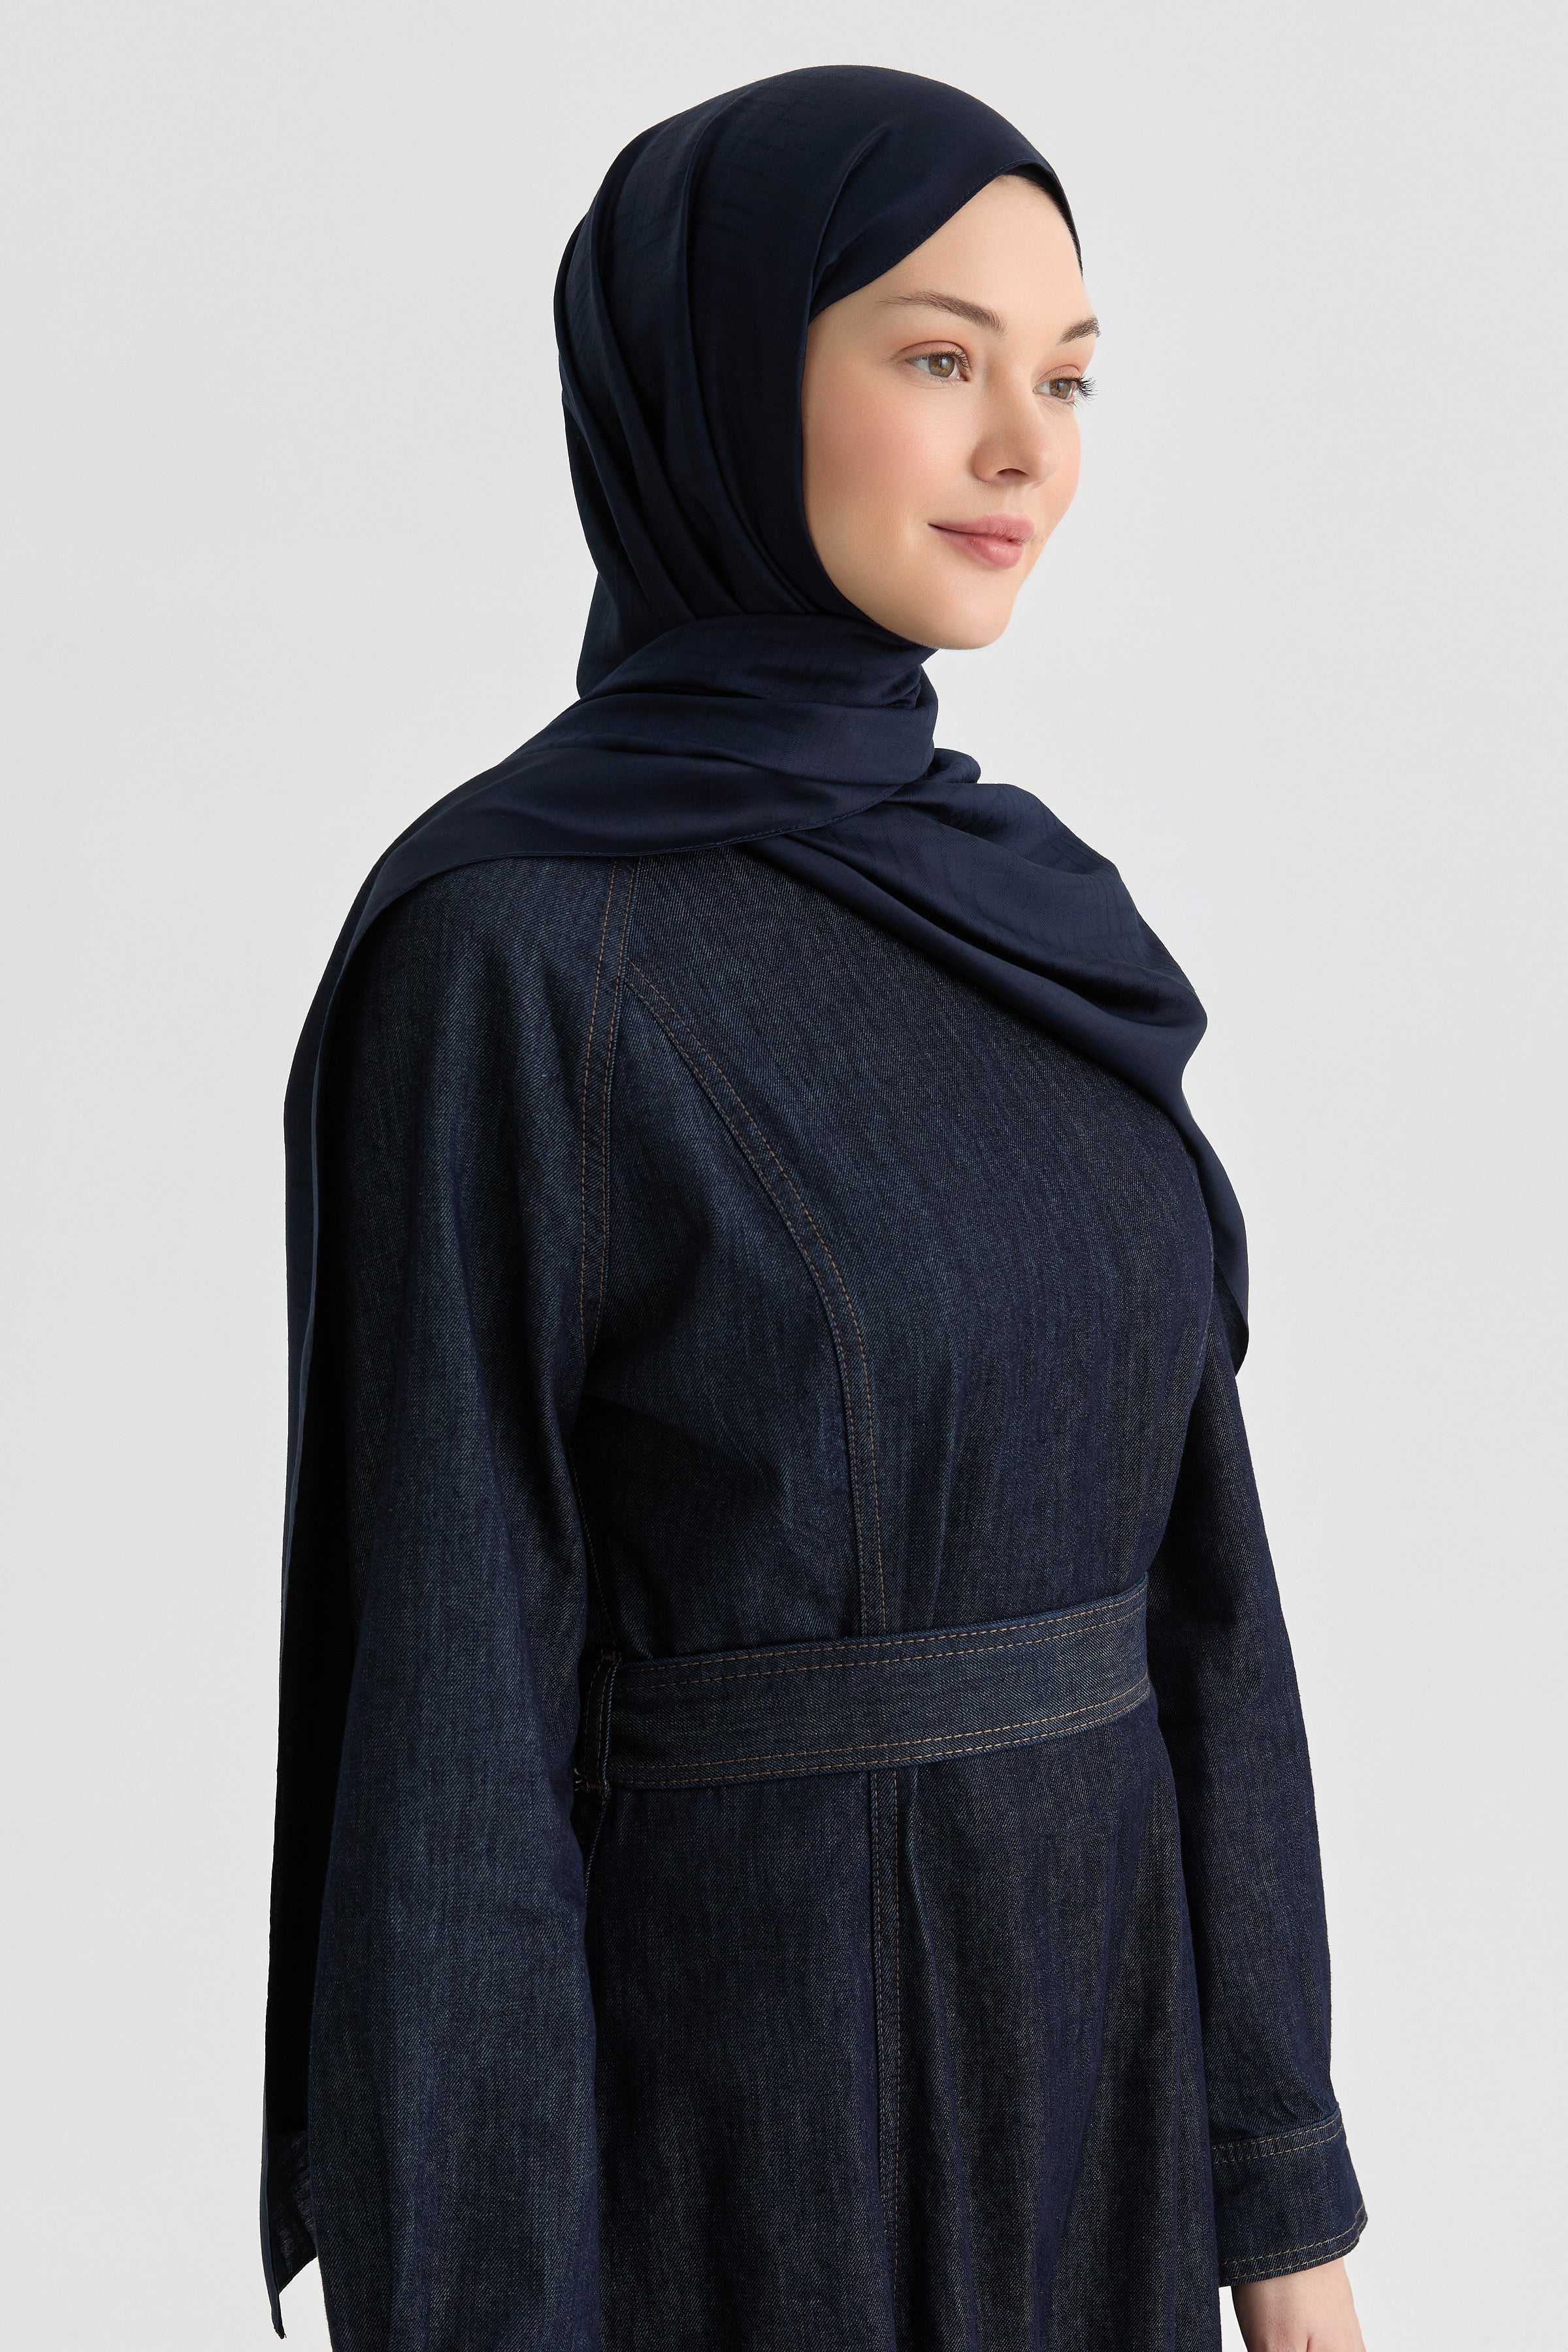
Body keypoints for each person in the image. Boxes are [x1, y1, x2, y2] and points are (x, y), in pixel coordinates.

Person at [261, 65, 1367, 2352]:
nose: (1027, 450)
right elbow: (450, 1751)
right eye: (941, 356)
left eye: (1069, 377)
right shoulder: (510, 955)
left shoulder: (1038, 923)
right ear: (720, 374)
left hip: (1104, 2118)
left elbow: (1208, 1613)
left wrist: (1290, 2225)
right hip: (748, 2149)